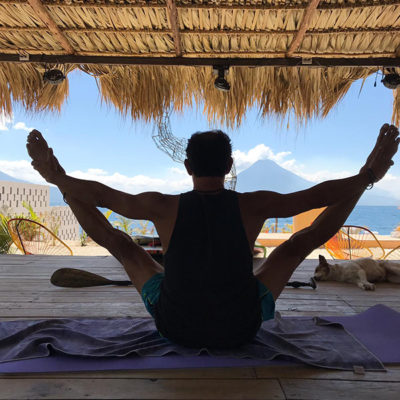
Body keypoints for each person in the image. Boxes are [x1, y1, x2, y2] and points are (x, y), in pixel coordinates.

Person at [26, 124, 399, 348]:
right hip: (241, 327)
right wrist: (368, 174)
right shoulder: (253, 205)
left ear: (187, 166)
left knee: (120, 245)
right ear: (229, 165)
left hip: (176, 326)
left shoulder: (162, 206)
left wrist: (56, 177)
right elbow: (320, 198)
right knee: (298, 244)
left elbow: (100, 195)